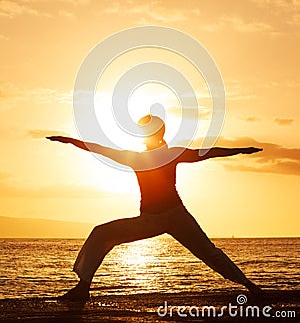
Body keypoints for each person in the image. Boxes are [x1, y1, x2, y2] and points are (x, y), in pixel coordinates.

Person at [47, 114, 264, 301]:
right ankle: (83, 288)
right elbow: (99, 149)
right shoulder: (140, 157)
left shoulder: (166, 154)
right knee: (101, 233)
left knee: (208, 252)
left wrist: (240, 149)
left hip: (176, 216)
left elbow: (208, 152)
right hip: (149, 220)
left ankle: (249, 285)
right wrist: (70, 140)